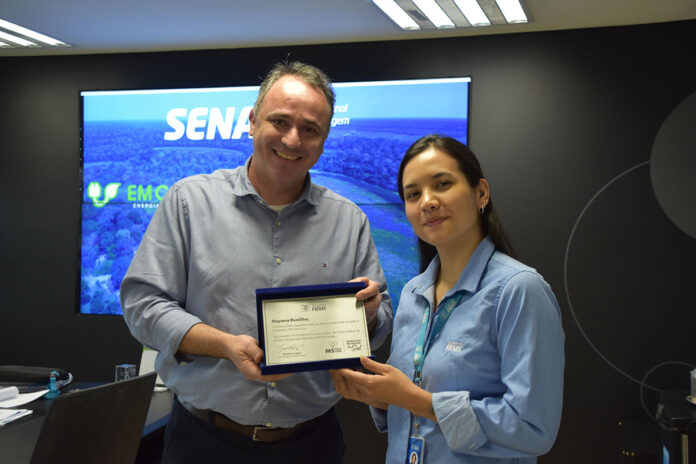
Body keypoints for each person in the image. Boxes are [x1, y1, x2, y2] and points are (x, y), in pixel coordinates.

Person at [120, 61, 393, 464]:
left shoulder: (349, 221)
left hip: (311, 445)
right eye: (280, 121)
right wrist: (225, 346)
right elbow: (142, 306)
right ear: (252, 122)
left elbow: (381, 320)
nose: (293, 139)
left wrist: (368, 315)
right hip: (203, 443)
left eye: (310, 129)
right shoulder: (188, 202)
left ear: (324, 139)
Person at [330, 135, 564, 463]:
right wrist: (376, 394)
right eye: (413, 194)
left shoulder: (519, 290)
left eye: (442, 184)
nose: (427, 202)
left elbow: (532, 428)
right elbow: (411, 403)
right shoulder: (413, 292)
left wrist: (416, 401)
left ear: (481, 193)